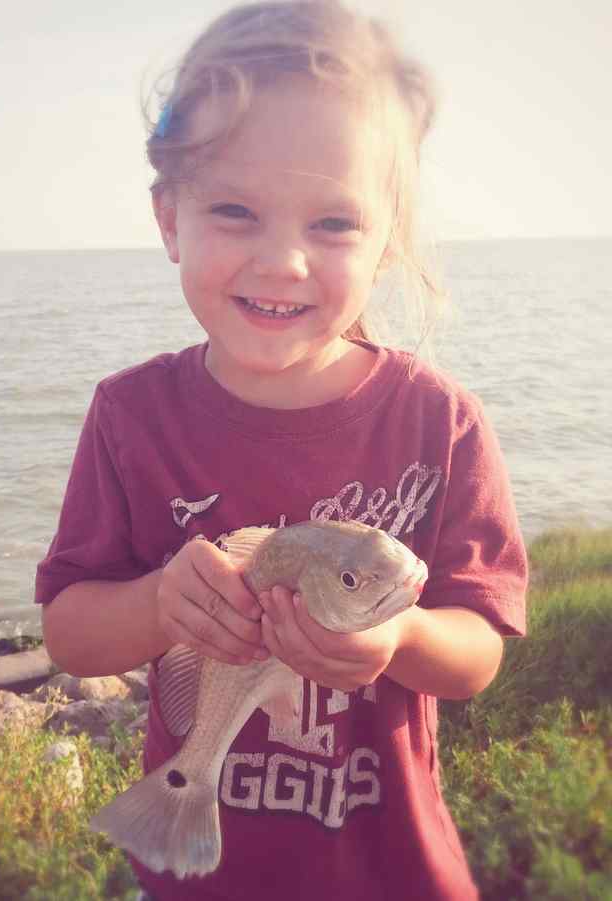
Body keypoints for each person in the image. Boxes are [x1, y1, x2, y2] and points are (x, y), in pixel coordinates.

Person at [36, 2, 527, 899]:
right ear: (169, 218)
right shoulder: (129, 415)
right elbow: (68, 631)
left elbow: (479, 649)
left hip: (391, 872)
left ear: (386, 241)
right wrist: (160, 605)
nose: (284, 261)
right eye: (235, 209)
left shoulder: (440, 420)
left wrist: (400, 636)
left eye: (333, 224)